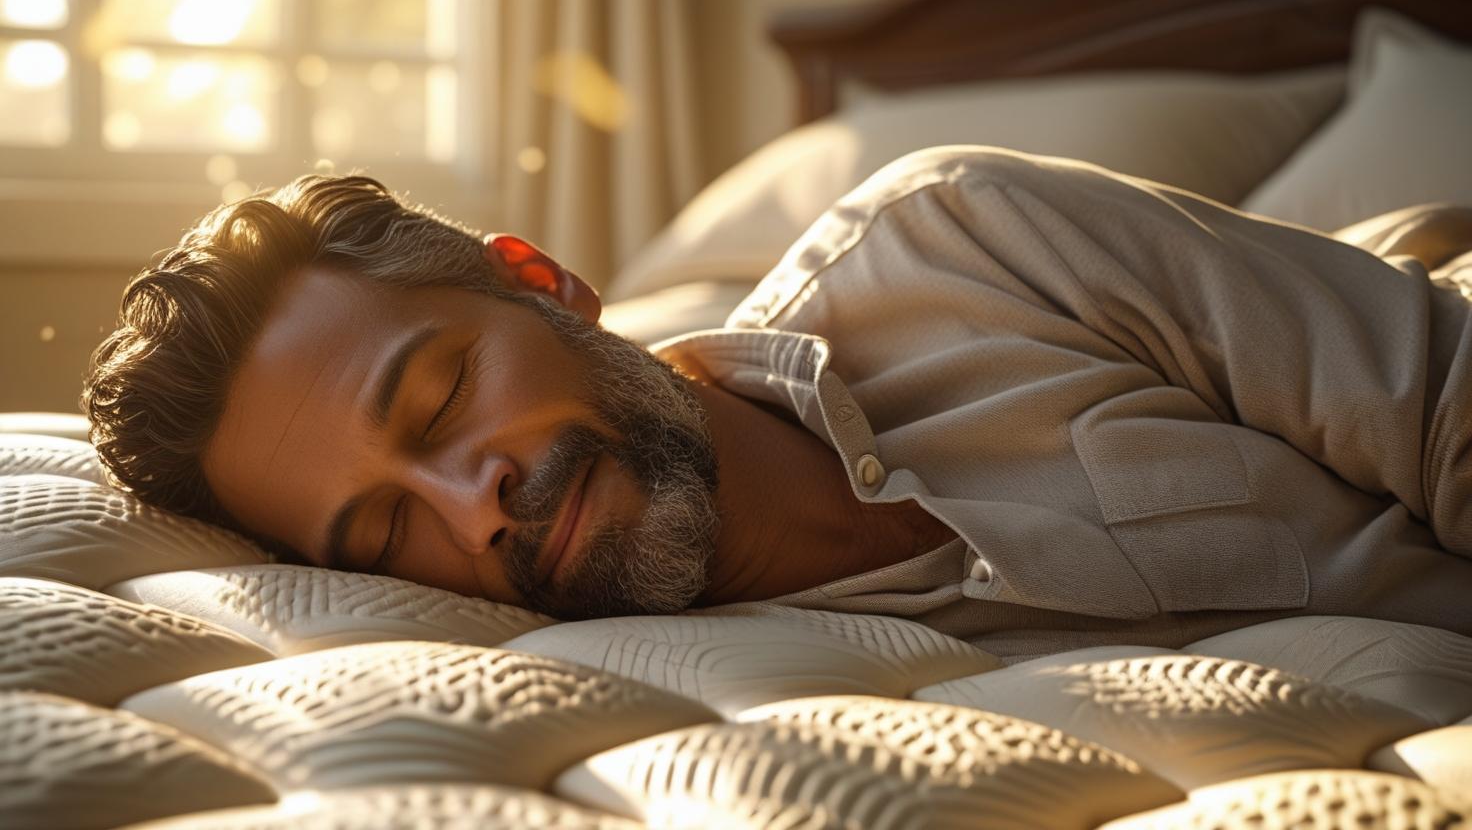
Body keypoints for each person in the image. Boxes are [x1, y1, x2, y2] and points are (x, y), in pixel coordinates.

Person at [82, 147, 1472, 661]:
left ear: (549, 282)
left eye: (441, 399)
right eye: (382, 534)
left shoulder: (962, 240)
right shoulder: (645, 688)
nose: (472, 512)